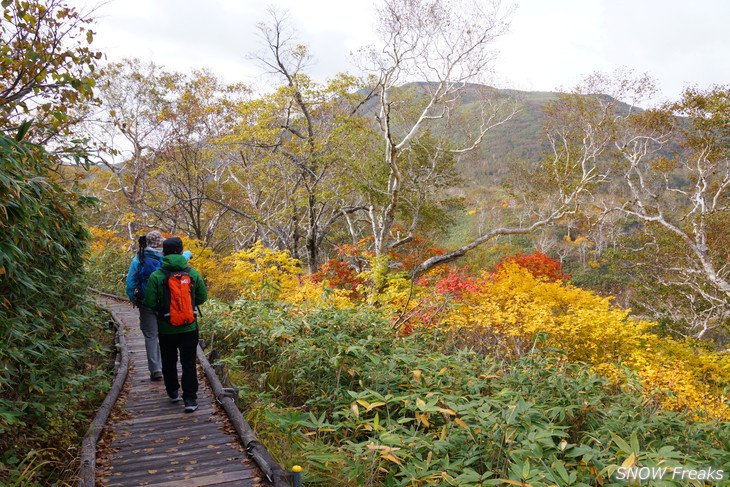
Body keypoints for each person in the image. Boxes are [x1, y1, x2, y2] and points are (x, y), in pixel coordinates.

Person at [143, 237, 207, 412]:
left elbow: (149, 301)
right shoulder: (192, 273)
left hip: (166, 327)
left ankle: (173, 392)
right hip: (189, 327)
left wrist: (163, 310)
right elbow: (202, 297)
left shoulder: (157, 275)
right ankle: (190, 399)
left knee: (169, 361)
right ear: (181, 251)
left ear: (163, 252)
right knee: (188, 363)